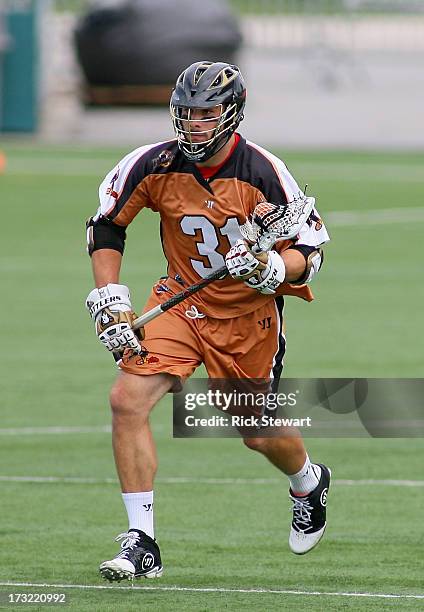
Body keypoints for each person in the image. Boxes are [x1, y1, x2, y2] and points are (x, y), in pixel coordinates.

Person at [85, 61, 331, 582]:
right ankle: (141, 540)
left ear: (232, 112)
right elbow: (107, 225)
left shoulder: (263, 171)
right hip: (181, 302)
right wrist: (109, 292)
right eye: (187, 113)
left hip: (246, 317)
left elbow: (309, 254)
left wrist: (269, 267)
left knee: (258, 435)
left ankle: (309, 482)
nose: (195, 123)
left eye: (206, 113)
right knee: (126, 400)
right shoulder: (152, 163)